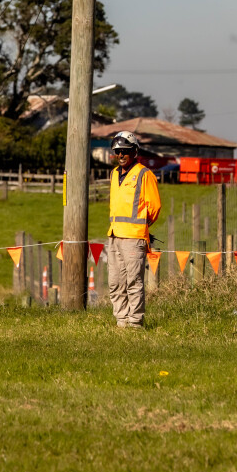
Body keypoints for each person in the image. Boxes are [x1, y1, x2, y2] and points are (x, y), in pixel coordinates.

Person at [106, 131, 161, 328]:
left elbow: (154, 207)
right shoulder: (114, 174)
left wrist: (141, 225)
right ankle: (122, 321)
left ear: (134, 151)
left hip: (134, 237)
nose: (121, 155)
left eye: (125, 151)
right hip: (114, 235)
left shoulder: (145, 174)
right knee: (115, 282)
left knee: (133, 282)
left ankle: (135, 322)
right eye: (118, 151)